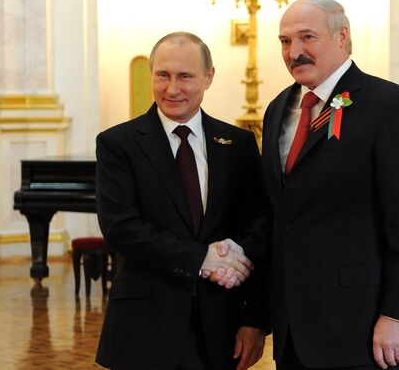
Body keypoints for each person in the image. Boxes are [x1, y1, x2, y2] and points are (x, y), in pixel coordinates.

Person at [261, 0, 399, 369]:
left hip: (365, 328)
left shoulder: (391, 106)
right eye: (285, 41)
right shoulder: (278, 109)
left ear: (342, 36)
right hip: (294, 331)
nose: (294, 52)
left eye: (307, 37)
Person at [95, 31, 269, 370]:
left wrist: (255, 320)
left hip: (221, 327)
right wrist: (201, 258)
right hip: (144, 328)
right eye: (163, 75)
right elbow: (121, 229)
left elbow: (261, 223)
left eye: (185, 76)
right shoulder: (118, 144)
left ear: (208, 77)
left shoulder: (238, 144)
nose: (172, 89)